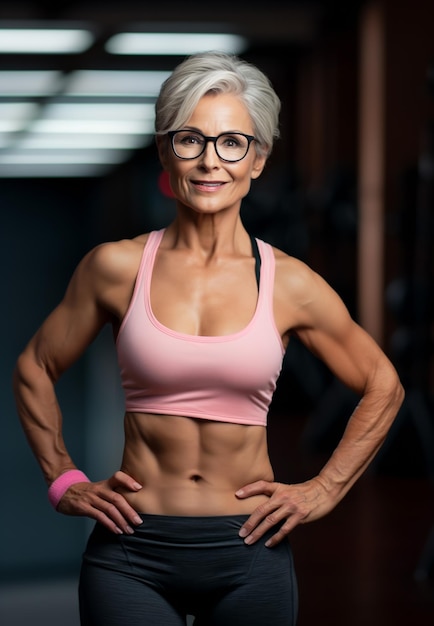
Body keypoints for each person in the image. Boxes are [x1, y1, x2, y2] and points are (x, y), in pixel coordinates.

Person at [13, 51, 404, 626]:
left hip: (249, 550)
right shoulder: (115, 267)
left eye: (231, 143)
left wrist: (324, 490)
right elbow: (35, 367)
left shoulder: (289, 283)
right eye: (190, 139)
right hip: (131, 550)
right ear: (166, 151)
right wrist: (63, 480)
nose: (209, 162)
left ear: (259, 159)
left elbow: (382, 385)